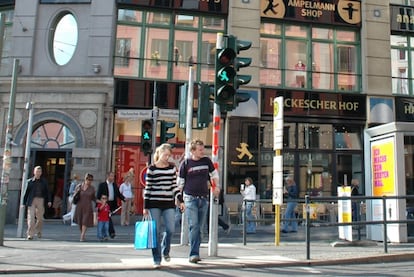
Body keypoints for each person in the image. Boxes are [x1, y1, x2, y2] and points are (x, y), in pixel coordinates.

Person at [177, 139, 220, 264]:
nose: (203, 152)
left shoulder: (206, 161)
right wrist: (179, 199)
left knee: (200, 228)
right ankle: (194, 253)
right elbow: (180, 183)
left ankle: (196, 250)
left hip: (203, 199)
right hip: (190, 199)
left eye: (203, 149)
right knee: (194, 226)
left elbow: (214, 174)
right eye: (200, 150)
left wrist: (216, 186)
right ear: (193, 151)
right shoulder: (186, 164)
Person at [144, 143, 183, 269]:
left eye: (168, 155)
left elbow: (174, 186)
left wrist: (180, 200)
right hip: (154, 203)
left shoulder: (171, 168)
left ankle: (165, 250)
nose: (167, 157)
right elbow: (148, 188)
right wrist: (145, 207)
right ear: (159, 154)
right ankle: (157, 259)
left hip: (168, 203)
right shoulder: (152, 169)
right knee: (156, 231)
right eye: (165, 155)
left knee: (170, 229)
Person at [23, 166, 52, 240]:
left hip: (40, 200)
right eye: (36, 172)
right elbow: (26, 193)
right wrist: (23, 203)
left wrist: (49, 200)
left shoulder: (44, 181)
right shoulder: (29, 181)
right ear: (34, 172)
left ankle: (38, 230)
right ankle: (30, 234)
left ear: (41, 173)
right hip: (31, 200)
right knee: (31, 218)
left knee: (40, 218)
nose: (38, 173)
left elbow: (47, 191)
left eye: (39, 172)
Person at [96, 172, 125, 238]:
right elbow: (98, 196)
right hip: (105, 203)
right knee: (108, 217)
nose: (112, 178)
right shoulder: (102, 185)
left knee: (107, 219)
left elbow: (118, 193)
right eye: (111, 176)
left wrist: (123, 199)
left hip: (112, 203)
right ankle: (111, 232)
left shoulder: (114, 185)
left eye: (113, 176)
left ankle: (104, 233)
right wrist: (100, 203)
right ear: (108, 177)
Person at [73, 173, 96, 241]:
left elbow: (94, 198)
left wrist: (101, 202)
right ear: (85, 179)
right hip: (80, 206)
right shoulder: (79, 186)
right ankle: (82, 233)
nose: (89, 181)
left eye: (91, 180)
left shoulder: (92, 188)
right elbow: (75, 195)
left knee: (85, 221)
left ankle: (82, 236)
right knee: (80, 221)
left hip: (88, 206)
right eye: (88, 179)